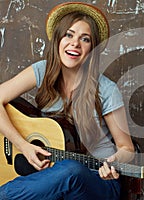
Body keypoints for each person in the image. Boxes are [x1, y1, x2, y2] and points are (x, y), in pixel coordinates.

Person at [0, 2, 134, 200]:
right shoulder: (43, 71)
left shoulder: (106, 89)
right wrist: (23, 145)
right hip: (51, 180)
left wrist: (114, 162)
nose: (75, 44)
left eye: (85, 39)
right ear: (58, 40)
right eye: (68, 35)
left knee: (72, 170)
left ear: (92, 49)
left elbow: (127, 148)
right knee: (64, 174)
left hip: (99, 182)